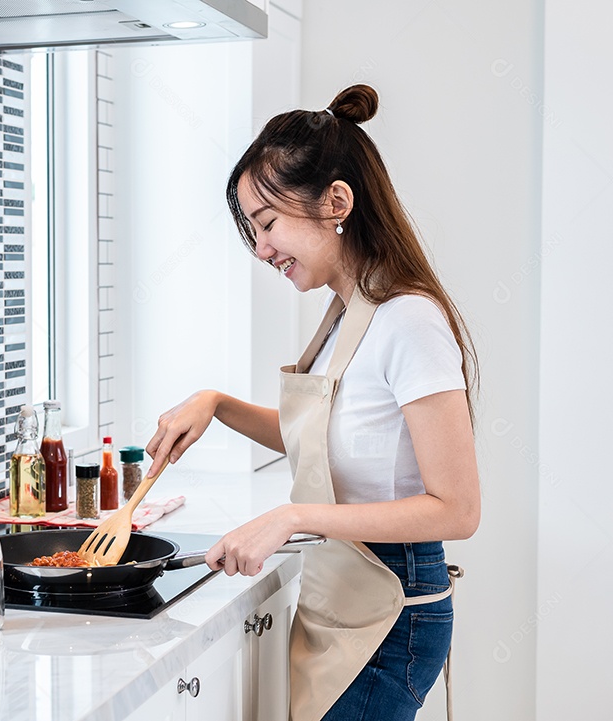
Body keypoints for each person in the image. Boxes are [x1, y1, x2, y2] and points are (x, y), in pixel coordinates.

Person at [145, 84, 480, 721]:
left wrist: (294, 516)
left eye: (268, 222)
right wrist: (216, 403)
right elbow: (320, 436)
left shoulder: (408, 320)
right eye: (252, 229)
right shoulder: (344, 315)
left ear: (336, 202)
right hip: (348, 596)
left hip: (392, 611)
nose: (261, 248)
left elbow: (457, 509)